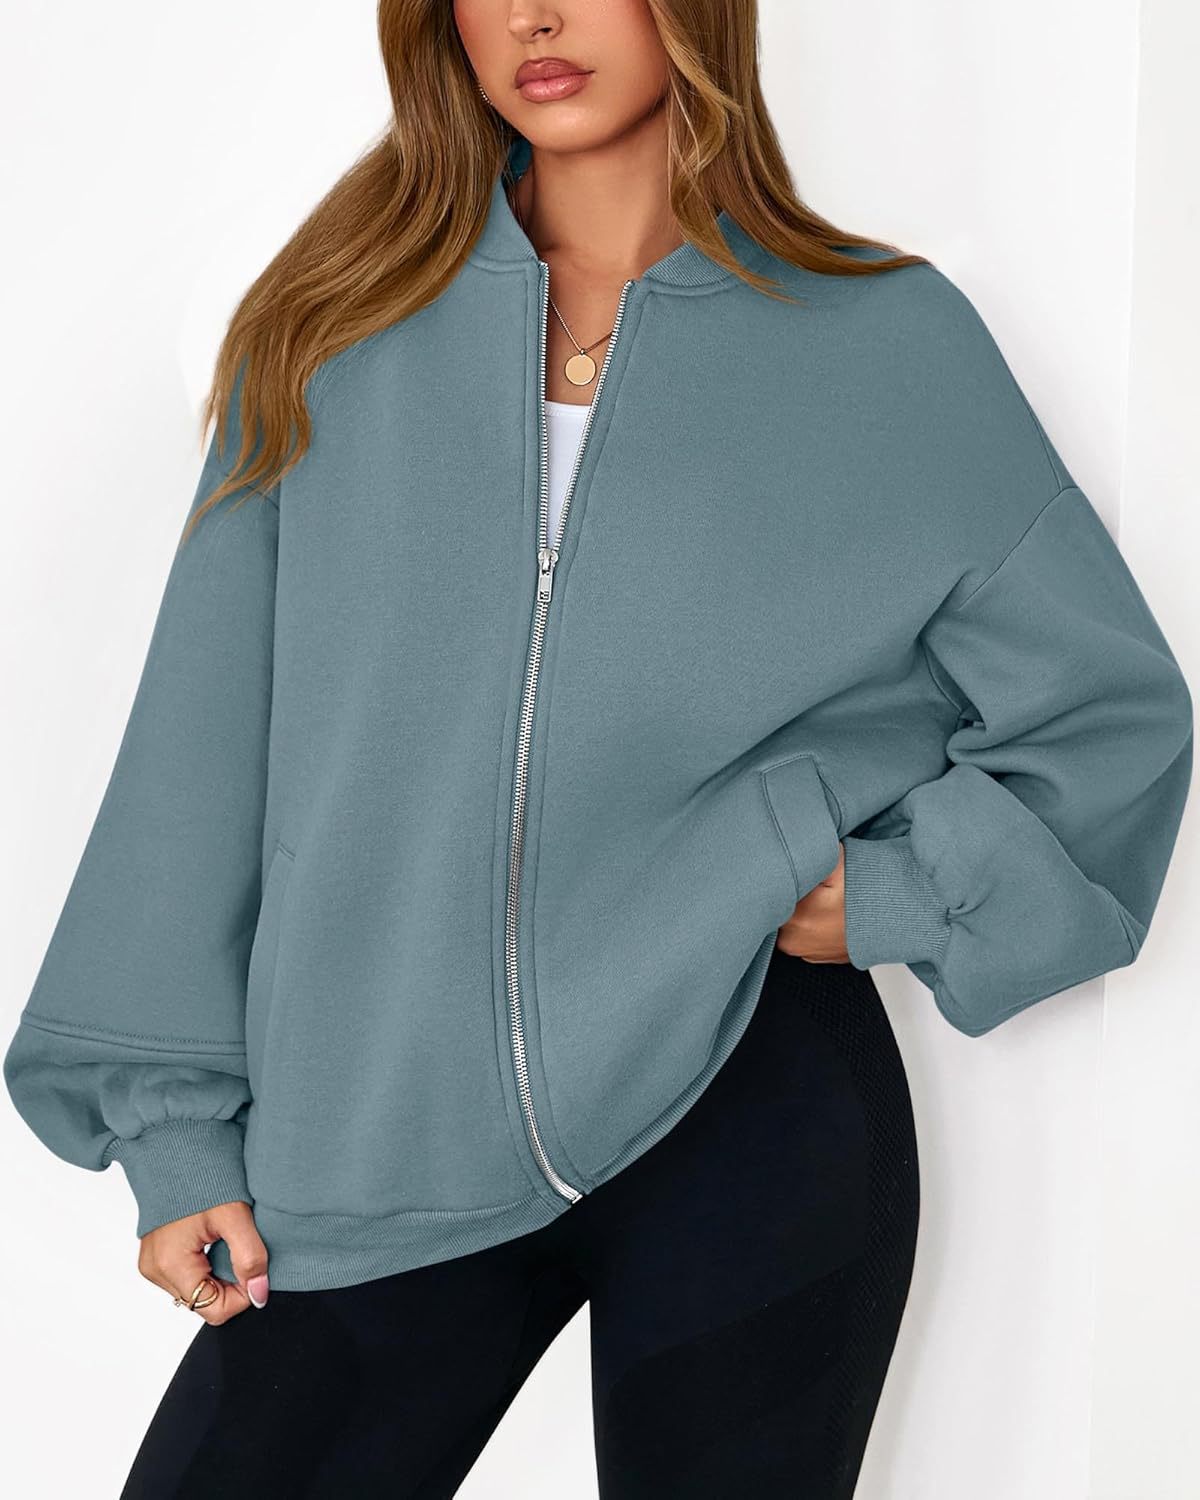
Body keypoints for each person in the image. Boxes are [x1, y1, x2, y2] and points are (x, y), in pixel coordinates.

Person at [5, 2, 1193, 1496]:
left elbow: (1108, 713)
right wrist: (175, 1126)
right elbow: (200, 750)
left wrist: (902, 891)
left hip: (751, 1108)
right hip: (380, 1108)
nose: (535, 16)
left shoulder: (884, 342)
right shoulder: (329, 332)